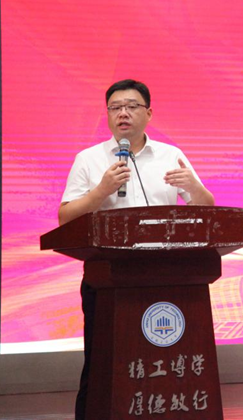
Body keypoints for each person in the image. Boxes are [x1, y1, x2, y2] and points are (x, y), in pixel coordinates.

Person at [58, 79, 214, 420]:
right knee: (102, 363)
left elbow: (207, 209)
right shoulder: (89, 159)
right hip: (107, 278)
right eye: (115, 108)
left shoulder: (171, 156)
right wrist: (101, 191)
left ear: (149, 113)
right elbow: (65, 217)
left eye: (131, 106)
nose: (123, 114)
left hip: (168, 276)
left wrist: (194, 188)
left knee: (168, 360)